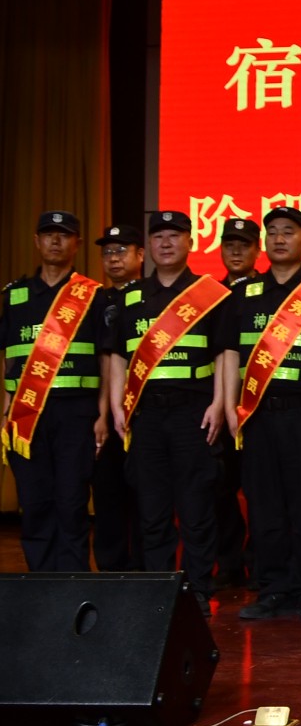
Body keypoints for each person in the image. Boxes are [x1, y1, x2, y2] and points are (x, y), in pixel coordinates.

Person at [223, 207, 301, 621]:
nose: (279, 239)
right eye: (273, 232)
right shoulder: (245, 293)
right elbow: (230, 353)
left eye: (288, 232)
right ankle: (273, 588)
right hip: (258, 415)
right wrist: (230, 406)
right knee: (264, 505)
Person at [109, 211, 231, 615]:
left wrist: (219, 403)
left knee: (196, 507)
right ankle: (159, 589)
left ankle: (197, 589)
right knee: (152, 508)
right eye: (158, 236)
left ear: (190, 242)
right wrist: (118, 405)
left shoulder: (209, 294)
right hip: (145, 415)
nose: (165, 243)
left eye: (174, 236)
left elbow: (224, 353)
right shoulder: (130, 297)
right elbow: (118, 356)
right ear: (148, 246)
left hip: (193, 413)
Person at [1, 211, 114, 572]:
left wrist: (103, 414)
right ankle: (41, 580)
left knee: (71, 500)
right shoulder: (15, 295)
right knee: (34, 501)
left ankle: (72, 581)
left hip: (76, 414)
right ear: (36, 241)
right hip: (26, 414)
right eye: (48, 234)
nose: (55, 241)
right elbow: (9, 357)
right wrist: (5, 410)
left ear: (77, 244)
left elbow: (105, 359)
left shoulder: (92, 296)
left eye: (63, 235)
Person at [90, 223, 144, 571]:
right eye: (107, 252)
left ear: (141, 255)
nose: (113, 258)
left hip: (144, 412)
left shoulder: (153, 297)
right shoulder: (92, 301)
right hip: (102, 415)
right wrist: (102, 412)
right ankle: (110, 570)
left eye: (121, 251)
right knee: (106, 493)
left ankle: (143, 570)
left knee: (144, 494)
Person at [214, 216, 260, 591]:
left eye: (243, 245)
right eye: (229, 245)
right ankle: (229, 563)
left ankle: (259, 562)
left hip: (259, 406)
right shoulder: (207, 295)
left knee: (260, 489)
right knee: (219, 487)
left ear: (257, 250)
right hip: (218, 407)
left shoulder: (271, 293)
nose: (236, 251)